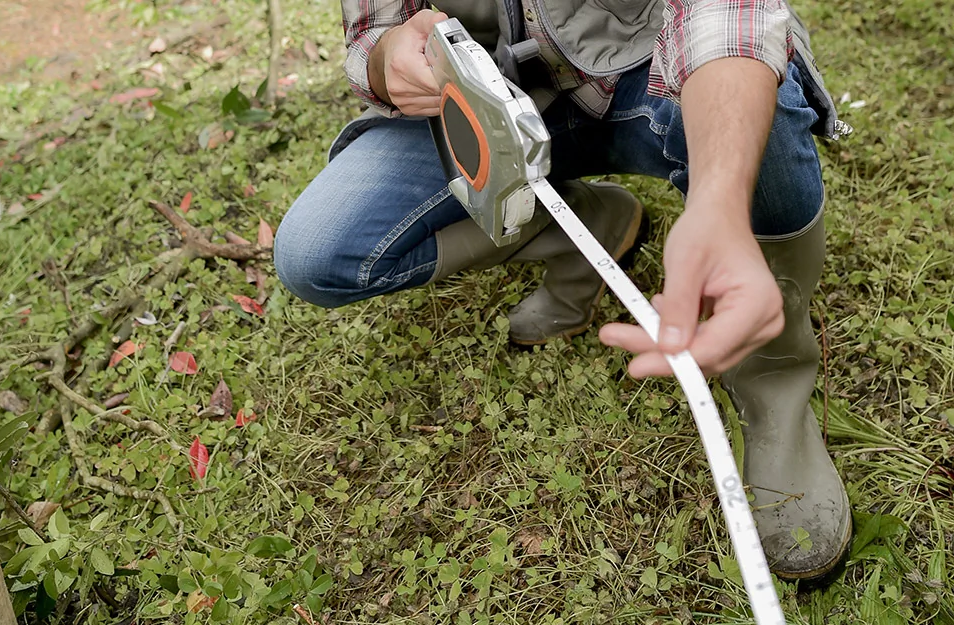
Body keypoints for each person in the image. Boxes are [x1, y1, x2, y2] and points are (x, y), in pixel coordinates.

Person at [274, 0, 852, 584]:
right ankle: (587, 226)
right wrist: (388, 56)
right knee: (320, 251)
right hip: (483, 101)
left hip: (647, 74)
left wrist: (721, 199)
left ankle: (774, 381)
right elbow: (371, 32)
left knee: (764, 112)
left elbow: (729, 13)